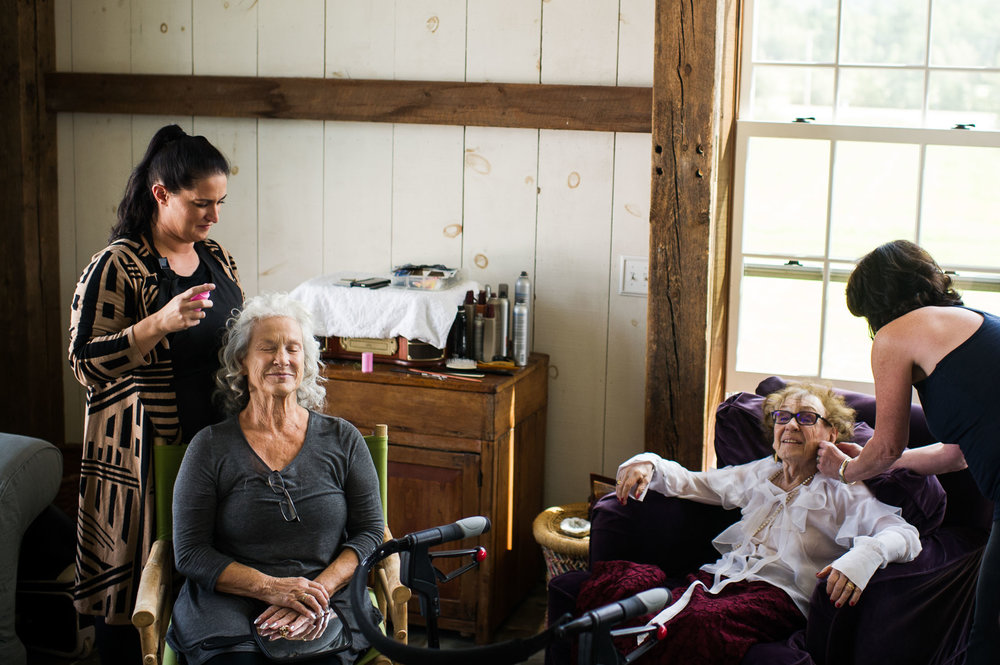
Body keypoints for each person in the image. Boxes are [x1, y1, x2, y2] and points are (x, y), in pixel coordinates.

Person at [67, 124, 244, 663]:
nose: (213, 216)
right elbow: (84, 364)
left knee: (206, 581)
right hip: (145, 456)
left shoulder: (216, 255)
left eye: (220, 203)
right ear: (161, 194)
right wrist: (158, 323)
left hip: (215, 446)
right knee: (146, 587)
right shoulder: (118, 265)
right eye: (201, 204)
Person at [610, 382, 922, 664]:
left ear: (830, 434)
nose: (791, 425)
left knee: (695, 623)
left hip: (780, 598)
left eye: (807, 417)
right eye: (782, 417)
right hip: (721, 581)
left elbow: (903, 533)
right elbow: (695, 483)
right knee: (623, 585)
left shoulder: (844, 489)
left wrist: (866, 556)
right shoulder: (762, 473)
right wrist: (648, 463)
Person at [166, 293, 385, 665]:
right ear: (242, 362)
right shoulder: (210, 446)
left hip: (323, 592)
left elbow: (370, 533)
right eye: (267, 348)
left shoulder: (343, 439)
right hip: (229, 599)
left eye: (293, 349)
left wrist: (317, 592)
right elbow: (190, 552)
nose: (282, 359)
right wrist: (270, 588)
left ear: (307, 363)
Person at [816, 239, 1000, 663]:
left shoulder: (894, 336)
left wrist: (847, 470)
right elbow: (957, 454)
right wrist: (881, 462)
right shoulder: (972, 321)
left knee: (988, 634)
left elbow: (885, 446)